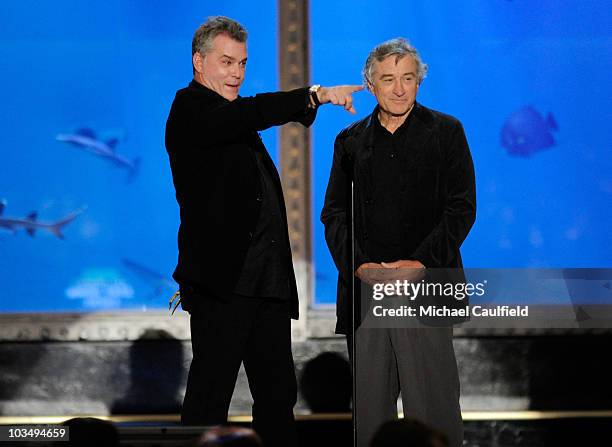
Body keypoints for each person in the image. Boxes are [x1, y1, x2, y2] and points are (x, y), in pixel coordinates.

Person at [165, 16, 362, 447]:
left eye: (242, 63)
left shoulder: (232, 119)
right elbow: (252, 111)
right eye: (226, 62)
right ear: (199, 62)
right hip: (224, 284)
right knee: (209, 397)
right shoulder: (191, 110)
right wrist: (315, 95)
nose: (236, 72)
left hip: (267, 283)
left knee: (277, 398)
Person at [321, 38, 476, 447]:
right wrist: (359, 265)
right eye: (388, 79)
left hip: (424, 285)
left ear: (419, 81)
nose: (399, 88)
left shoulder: (446, 131)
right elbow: (334, 214)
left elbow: (461, 208)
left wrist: (420, 262)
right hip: (368, 290)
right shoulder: (351, 141)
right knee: (371, 413)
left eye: (408, 78)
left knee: (435, 407)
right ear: (371, 85)